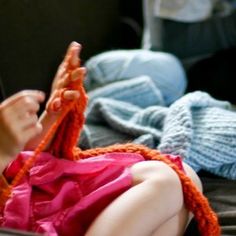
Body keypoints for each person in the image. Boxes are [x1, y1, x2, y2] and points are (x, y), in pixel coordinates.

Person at [0, 42, 211, 236]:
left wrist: (52, 115)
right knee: (164, 182)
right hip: (21, 215)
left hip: (39, 188)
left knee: (185, 176)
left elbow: (22, 160)